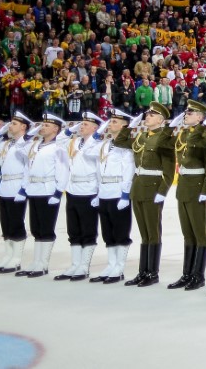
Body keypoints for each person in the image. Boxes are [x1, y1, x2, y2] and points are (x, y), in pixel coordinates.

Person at [117, 101, 175, 286]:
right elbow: (119, 141)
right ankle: (143, 271)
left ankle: (152, 273)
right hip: (139, 186)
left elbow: (169, 168)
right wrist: (128, 127)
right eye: (147, 114)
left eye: (151, 115)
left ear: (161, 119)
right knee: (144, 233)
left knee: (153, 232)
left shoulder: (164, 138)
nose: (147, 117)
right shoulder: (141, 137)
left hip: (153, 187)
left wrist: (163, 191)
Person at [167, 100, 206, 291]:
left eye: (191, 112)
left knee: (200, 233)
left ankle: (198, 275)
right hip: (184, 186)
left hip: (198, 186)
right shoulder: (184, 133)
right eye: (186, 111)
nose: (186, 114)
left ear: (201, 117)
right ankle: (187, 274)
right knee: (188, 234)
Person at [16, 112, 71, 276]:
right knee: (36, 228)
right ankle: (36, 261)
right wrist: (24, 188)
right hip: (34, 189)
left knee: (46, 228)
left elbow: (63, 169)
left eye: (46, 125)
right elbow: (21, 152)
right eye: (42, 124)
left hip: (48, 190)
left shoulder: (58, 147)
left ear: (55, 129)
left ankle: (43, 264)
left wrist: (58, 191)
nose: (42, 127)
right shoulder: (34, 144)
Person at [53, 111, 102, 282]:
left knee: (88, 229)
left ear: (96, 127)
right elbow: (59, 141)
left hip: (89, 189)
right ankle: (74, 264)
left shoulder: (98, 144)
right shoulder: (74, 142)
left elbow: (98, 166)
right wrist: (69, 130)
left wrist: (99, 191)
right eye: (81, 124)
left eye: (86, 124)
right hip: (73, 189)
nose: (82, 126)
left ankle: (84, 266)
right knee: (73, 229)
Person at [0, 111, 35, 274]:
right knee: (6, 224)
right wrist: (1, 131)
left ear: (23, 127)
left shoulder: (27, 144)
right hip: (5, 185)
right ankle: (7, 256)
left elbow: (29, 168)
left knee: (16, 223)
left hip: (17, 186)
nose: (10, 126)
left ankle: (16, 259)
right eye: (10, 123)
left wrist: (23, 188)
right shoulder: (8, 144)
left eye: (14, 124)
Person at [90, 109, 135, 283]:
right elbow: (87, 152)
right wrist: (98, 132)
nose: (110, 124)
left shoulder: (126, 145)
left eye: (115, 122)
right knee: (108, 231)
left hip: (118, 190)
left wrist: (125, 194)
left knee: (120, 230)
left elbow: (128, 170)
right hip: (104, 190)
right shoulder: (104, 144)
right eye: (110, 121)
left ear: (125, 126)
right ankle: (111, 264)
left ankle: (119, 267)